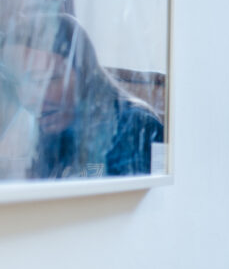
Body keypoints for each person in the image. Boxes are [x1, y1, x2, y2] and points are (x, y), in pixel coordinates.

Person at [1, 12, 164, 179]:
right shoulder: (53, 131)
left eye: (44, 79)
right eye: (17, 84)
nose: (28, 100)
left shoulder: (134, 126)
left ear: (85, 74)